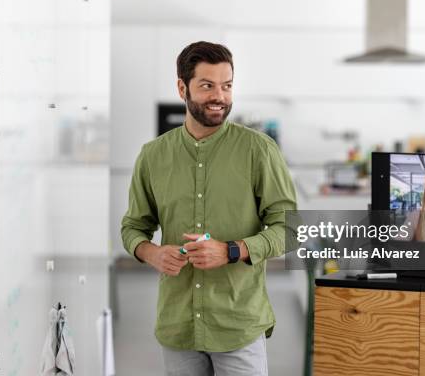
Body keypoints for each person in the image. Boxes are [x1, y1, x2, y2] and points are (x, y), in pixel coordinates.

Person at [121, 41, 297, 376]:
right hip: (178, 326)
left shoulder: (259, 151)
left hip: (238, 325)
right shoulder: (153, 156)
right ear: (181, 87)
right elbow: (133, 227)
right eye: (207, 86)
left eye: (226, 86)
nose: (219, 96)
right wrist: (151, 253)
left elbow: (288, 229)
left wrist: (232, 250)